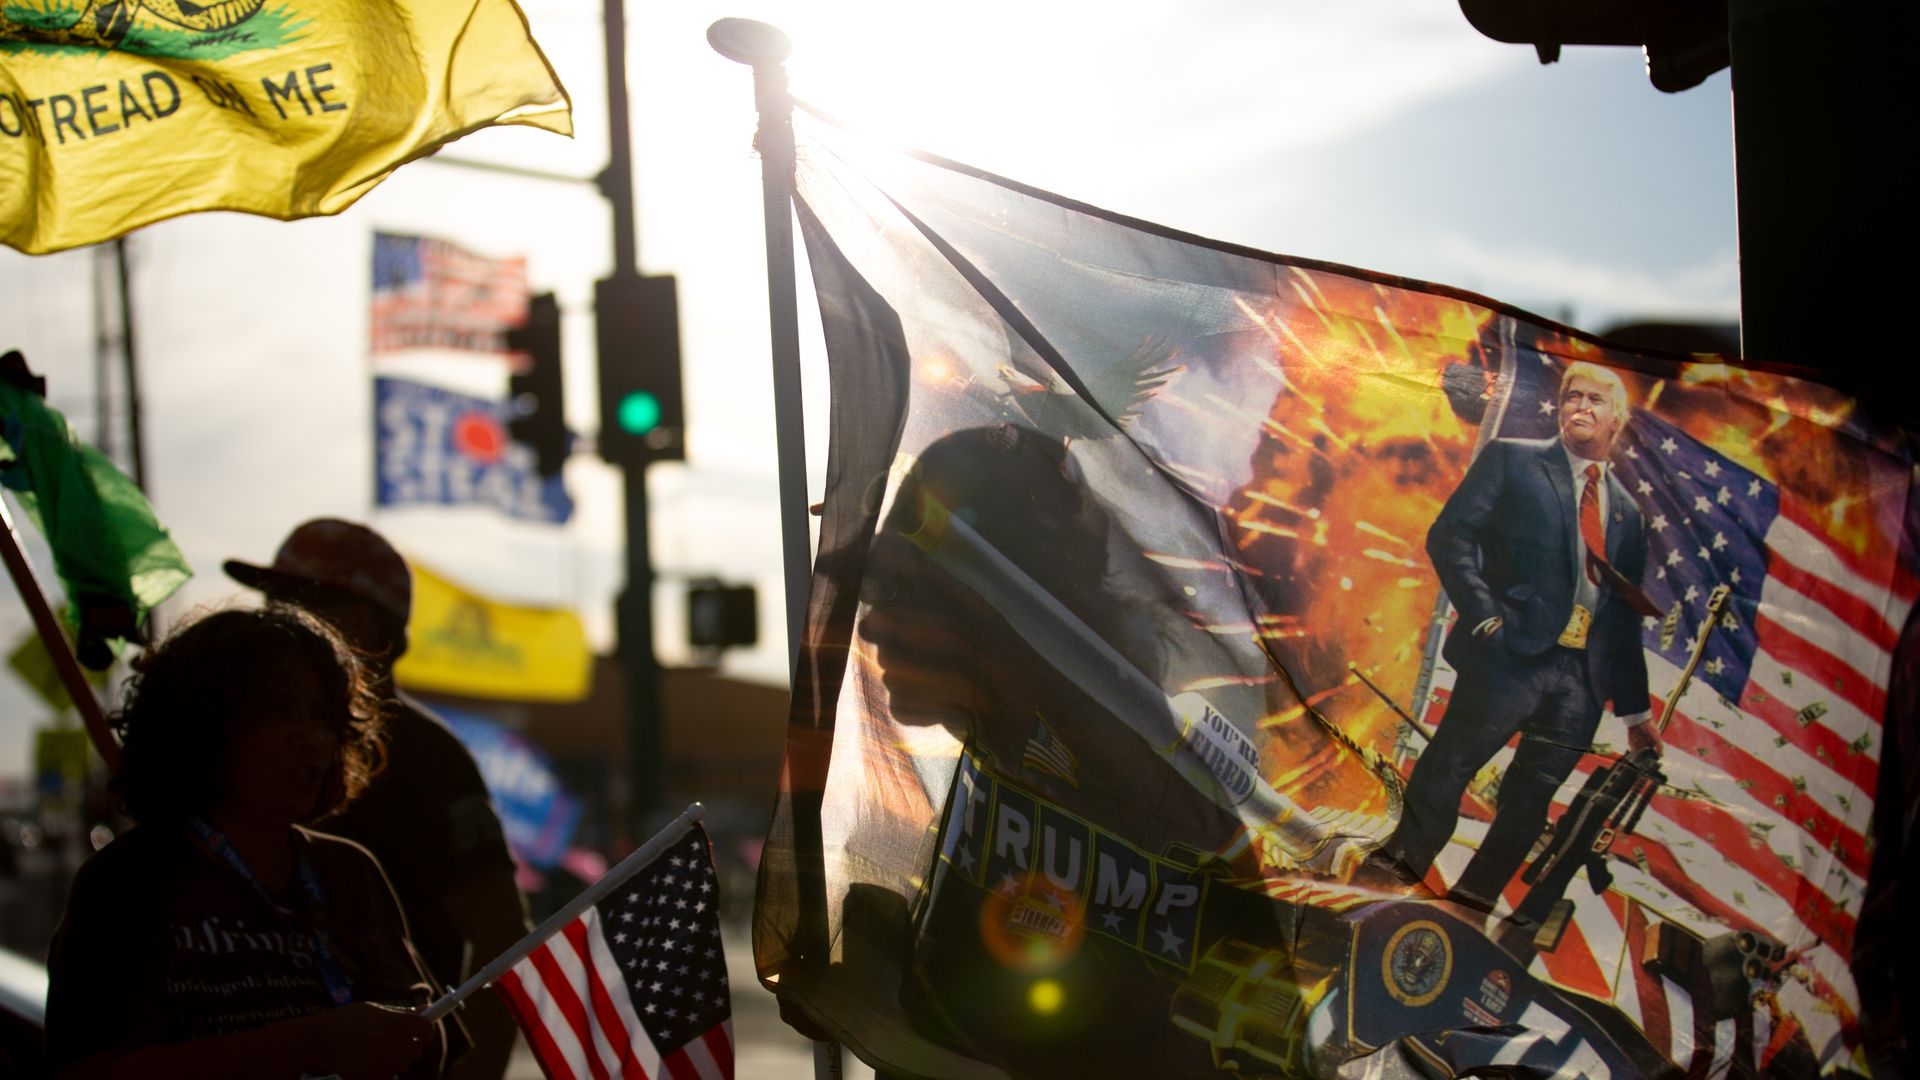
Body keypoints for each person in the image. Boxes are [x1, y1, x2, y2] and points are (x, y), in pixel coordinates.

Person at [44, 607, 439, 1078]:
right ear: (202, 724)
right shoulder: (128, 880)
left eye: (322, 715)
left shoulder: (349, 871)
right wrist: (304, 1044)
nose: (310, 738)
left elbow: (427, 1040)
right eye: (278, 709)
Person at [224, 518, 530, 1080]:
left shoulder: (427, 761)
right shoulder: (244, 744)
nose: (269, 619)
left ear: (358, 622)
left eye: (290, 602)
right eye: (270, 601)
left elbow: (501, 943)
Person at [1379, 361, 1659, 913]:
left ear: (1617, 421)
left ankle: (1471, 904)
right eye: (1572, 396)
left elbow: (1623, 621)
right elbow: (1452, 534)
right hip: (1511, 657)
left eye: (1594, 401)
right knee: (1451, 765)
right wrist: (1486, 617)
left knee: (1531, 799)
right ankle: (1393, 875)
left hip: (1581, 679)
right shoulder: (1514, 459)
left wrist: (1635, 717)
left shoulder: (1627, 514)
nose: (1580, 407)